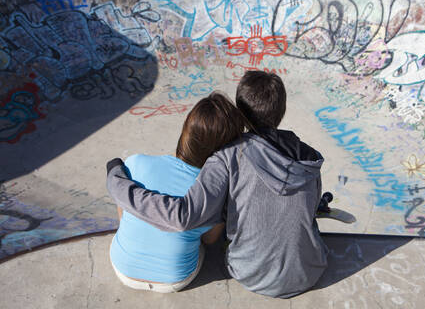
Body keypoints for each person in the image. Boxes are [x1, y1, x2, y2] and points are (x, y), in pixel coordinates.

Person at [106, 71, 329, 298]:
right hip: (308, 271)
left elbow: (182, 217)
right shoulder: (310, 157)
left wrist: (117, 181)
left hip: (251, 274)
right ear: (282, 111)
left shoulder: (227, 156)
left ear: (241, 114)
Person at [109, 92, 246, 293]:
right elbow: (209, 240)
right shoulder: (214, 192)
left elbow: (122, 207)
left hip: (122, 267)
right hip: (175, 279)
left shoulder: (135, 163)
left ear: (186, 131)